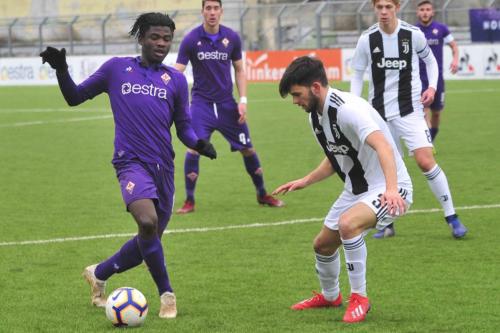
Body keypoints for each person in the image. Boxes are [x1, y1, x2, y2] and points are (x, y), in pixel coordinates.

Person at [40, 12, 217, 319]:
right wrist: (61, 70)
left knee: (149, 241)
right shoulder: (116, 69)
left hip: (164, 167)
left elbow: (183, 127)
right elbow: (74, 96)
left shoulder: (175, 80)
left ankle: (99, 273)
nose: (161, 44)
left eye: (166, 39)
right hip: (130, 163)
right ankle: (167, 296)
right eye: (155, 37)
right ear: (141, 38)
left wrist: (199, 143)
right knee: (147, 223)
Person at [275, 56, 413, 323]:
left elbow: (383, 146)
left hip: (390, 186)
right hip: (357, 189)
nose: (295, 101)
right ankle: (330, 297)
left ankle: (360, 298)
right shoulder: (315, 116)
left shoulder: (349, 110)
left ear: (315, 87)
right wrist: (307, 180)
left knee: (348, 224)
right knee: (323, 245)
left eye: (297, 94)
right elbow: (337, 155)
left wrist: (393, 190)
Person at [350, 0, 467, 239]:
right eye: (379, 7)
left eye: (388, 7)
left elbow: (431, 61)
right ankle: (387, 223)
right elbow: (358, 73)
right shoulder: (367, 39)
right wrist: (354, 105)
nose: (383, 12)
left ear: (397, 7)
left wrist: (432, 87)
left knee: (425, 161)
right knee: (386, 170)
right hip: (379, 115)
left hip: (410, 111)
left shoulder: (412, 35)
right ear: (374, 8)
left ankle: (452, 216)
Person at [174, 0, 284, 214]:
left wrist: (243, 101)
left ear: (221, 11)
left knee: (248, 148)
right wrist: (161, 79)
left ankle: (262, 194)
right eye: (208, 8)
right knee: (193, 147)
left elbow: (240, 70)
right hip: (201, 105)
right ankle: (189, 201)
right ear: (203, 11)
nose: (212, 12)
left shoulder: (231, 37)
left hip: (227, 105)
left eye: (216, 8)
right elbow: (178, 70)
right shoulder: (191, 39)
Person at [416, 0, 459, 142]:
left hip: (437, 79)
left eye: (428, 9)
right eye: (422, 9)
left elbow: (454, 46)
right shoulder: (414, 31)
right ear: (418, 12)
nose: (425, 12)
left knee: (436, 114)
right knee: (423, 111)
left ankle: (432, 136)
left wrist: (455, 60)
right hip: (419, 79)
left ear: (432, 12)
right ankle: (427, 141)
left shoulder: (441, 29)